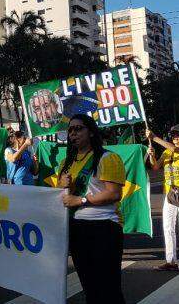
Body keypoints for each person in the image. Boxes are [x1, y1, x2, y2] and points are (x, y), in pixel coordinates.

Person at [56, 114, 126, 304]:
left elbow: (113, 194)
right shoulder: (66, 163)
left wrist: (80, 200)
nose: (73, 133)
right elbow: (61, 199)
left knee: (108, 288)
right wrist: (62, 186)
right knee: (90, 287)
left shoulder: (107, 158)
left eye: (78, 128)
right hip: (77, 229)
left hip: (104, 228)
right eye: (70, 130)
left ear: (92, 132)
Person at [146, 124, 179, 272]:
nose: (175, 137)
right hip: (169, 194)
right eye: (173, 135)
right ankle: (171, 260)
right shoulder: (167, 152)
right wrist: (151, 155)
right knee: (168, 227)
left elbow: (176, 149)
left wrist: (154, 138)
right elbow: (155, 167)